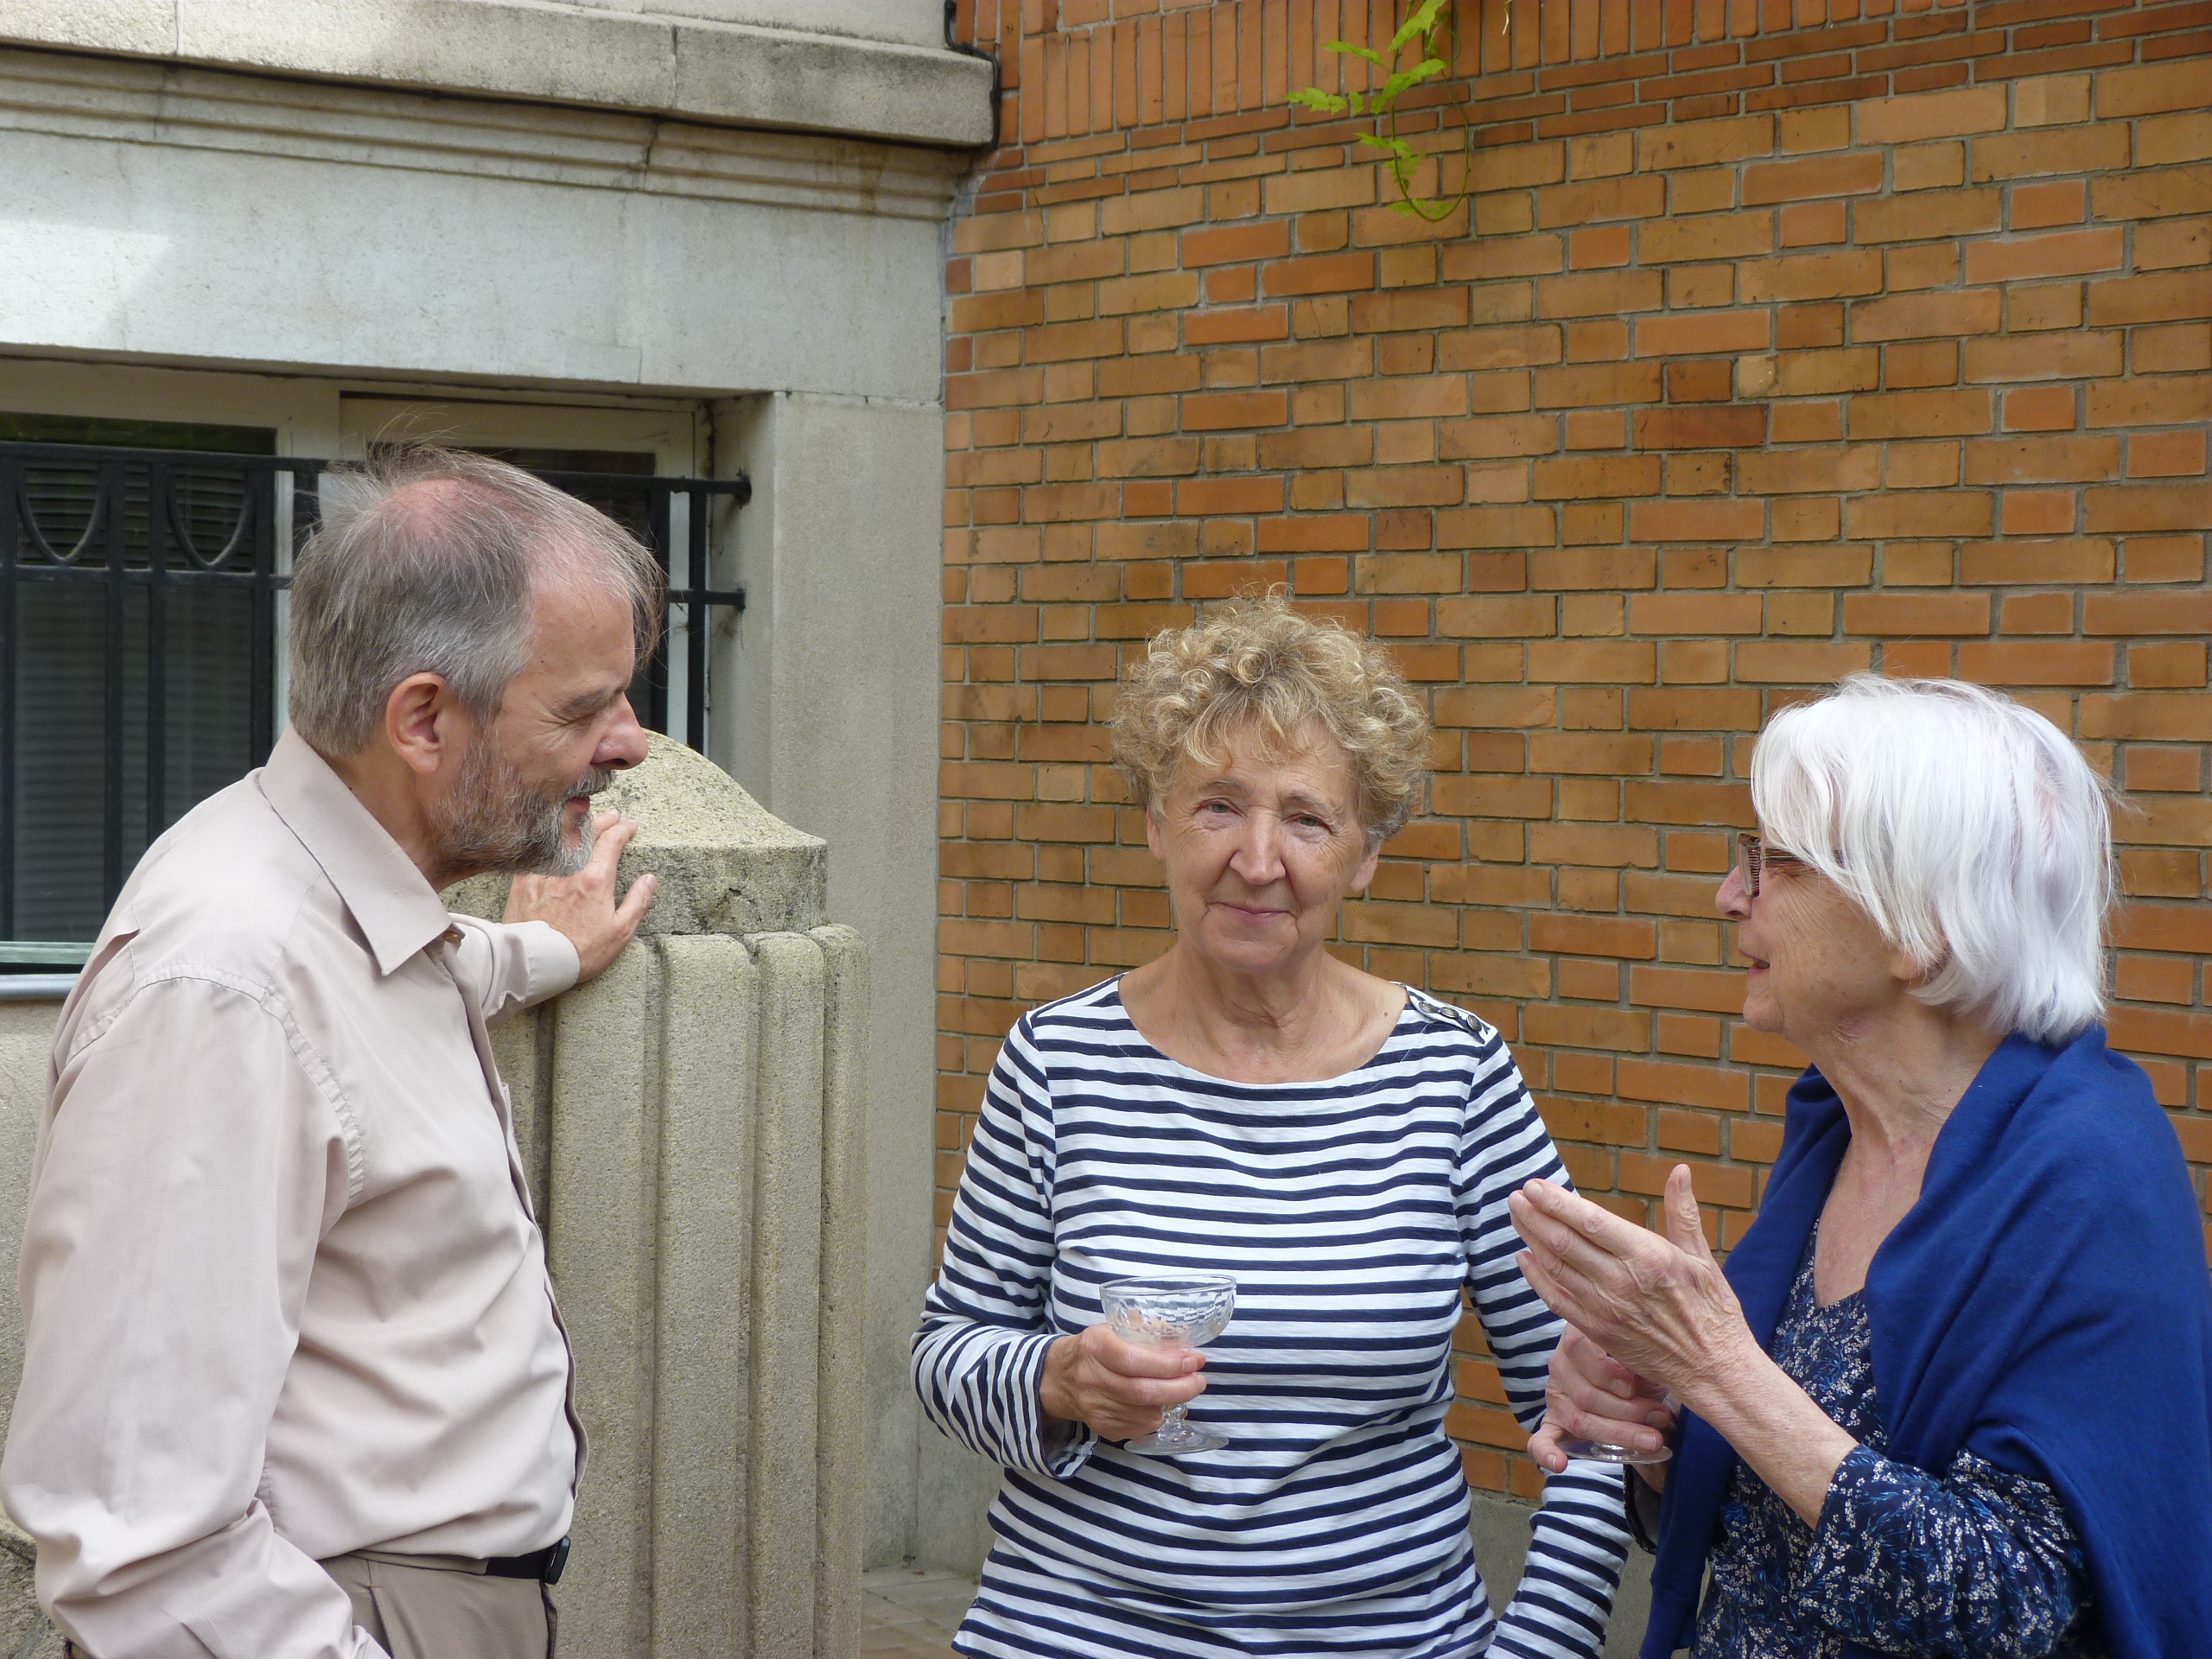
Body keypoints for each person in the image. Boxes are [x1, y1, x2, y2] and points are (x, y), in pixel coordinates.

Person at [3, 448, 665, 1659]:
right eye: (582, 710)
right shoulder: (226, 986)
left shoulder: (345, 910)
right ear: (423, 719)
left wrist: (546, 953)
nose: (629, 745)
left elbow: (400, 987)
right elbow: (139, 1551)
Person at [914, 595, 1630, 1659]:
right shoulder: (1055, 1062)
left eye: (1306, 819)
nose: (1257, 860)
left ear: (1364, 853)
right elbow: (948, 1354)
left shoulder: (1455, 1076)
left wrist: (1538, 1648)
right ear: (1156, 824)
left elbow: (1597, 1418)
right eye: (1218, 806)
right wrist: (1057, 1382)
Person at [1508, 675, 2212, 1659]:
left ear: (1920, 927)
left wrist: (1719, 1371)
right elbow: (1773, 1516)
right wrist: (1658, 1420)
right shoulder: (1840, 1132)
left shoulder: (2091, 1182)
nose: (1729, 896)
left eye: (1774, 863)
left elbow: (2016, 1607)